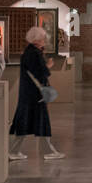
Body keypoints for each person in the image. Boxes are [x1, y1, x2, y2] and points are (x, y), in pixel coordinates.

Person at [9, 26, 65, 161]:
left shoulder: (27, 52)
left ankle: (14, 151)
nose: (44, 40)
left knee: (24, 120)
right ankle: (48, 151)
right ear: (37, 39)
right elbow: (41, 72)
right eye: (43, 38)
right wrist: (49, 66)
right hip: (36, 94)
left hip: (27, 92)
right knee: (42, 120)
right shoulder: (35, 53)